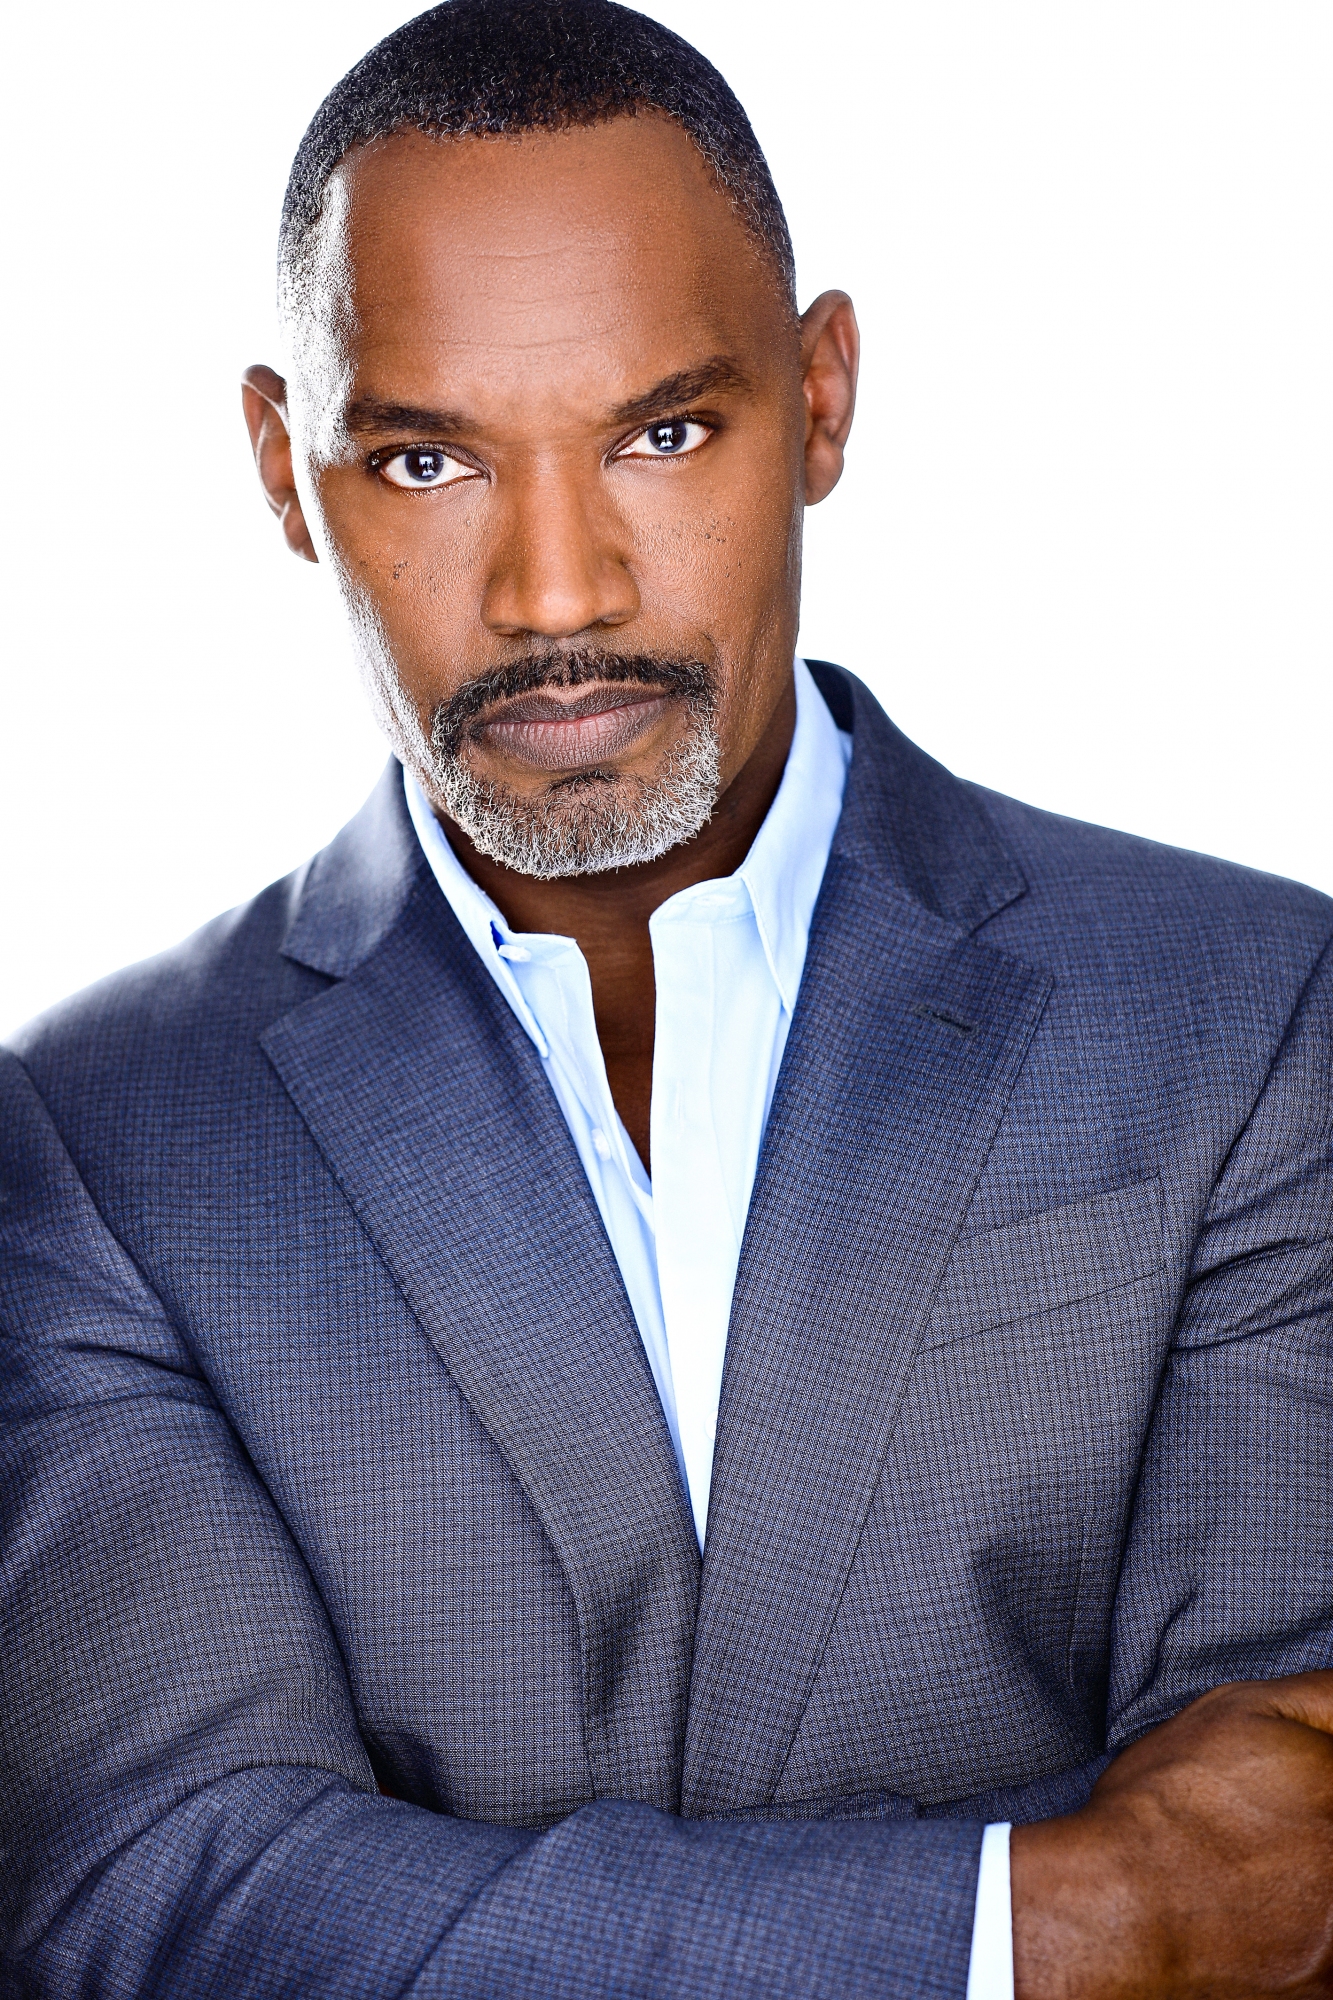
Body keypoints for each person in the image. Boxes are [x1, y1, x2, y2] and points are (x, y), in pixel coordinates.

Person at [2, 2, 1331, 1993]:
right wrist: (1039, 1921)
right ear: (286, 468)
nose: (557, 593)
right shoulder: (101, 1138)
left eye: (662, 434)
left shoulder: (1251, 1017)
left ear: (823, 397)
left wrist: (436, 1901)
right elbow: (168, 1890)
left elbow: (1285, 1876)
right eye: (428, 457)